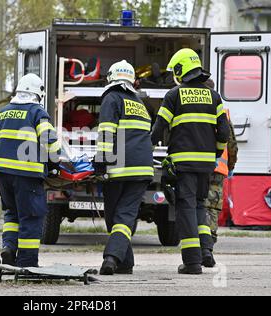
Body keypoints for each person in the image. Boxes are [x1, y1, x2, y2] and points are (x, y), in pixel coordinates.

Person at [151, 49, 230, 274]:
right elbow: (223, 133)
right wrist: (214, 154)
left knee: (185, 208)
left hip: (183, 164)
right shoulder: (214, 96)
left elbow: (159, 127)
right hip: (206, 165)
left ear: (180, 70)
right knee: (199, 206)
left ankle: (192, 262)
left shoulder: (174, 95)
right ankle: (207, 252)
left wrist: (147, 149)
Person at [0, 73, 60, 267]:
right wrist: (55, 165)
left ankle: (9, 248)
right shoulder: (37, 112)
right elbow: (50, 143)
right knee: (31, 216)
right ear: (38, 94)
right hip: (27, 174)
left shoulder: (2, 112)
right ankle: (27, 262)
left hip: (3, 173)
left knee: (12, 214)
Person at [94, 60, 154, 275]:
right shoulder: (140, 103)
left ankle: (110, 258)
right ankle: (124, 263)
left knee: (117, 217)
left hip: (119, 169)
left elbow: (106, 131)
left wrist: (101, 161)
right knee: (123, 217)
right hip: (142, 168)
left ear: (111, 77)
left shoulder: (111, 98)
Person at [203, 79, 238, 243]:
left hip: (197, 166)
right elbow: (232, 144)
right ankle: (210, 236)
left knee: (197, 204)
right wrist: (231, 166)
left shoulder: (196, 110)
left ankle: (198, 238)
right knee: (212, 205)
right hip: (218, 169)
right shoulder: (222, 112)